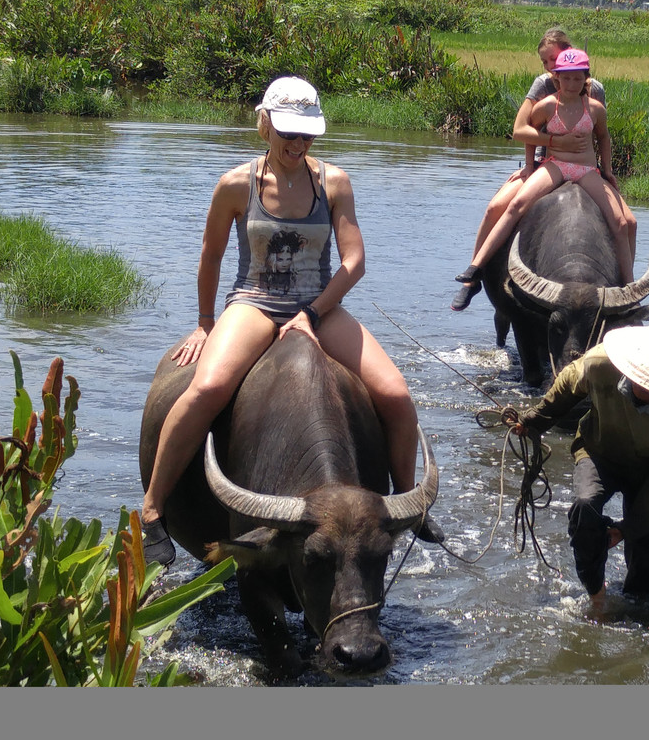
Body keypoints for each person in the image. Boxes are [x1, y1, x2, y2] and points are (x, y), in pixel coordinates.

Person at [140, 76, 440, 567]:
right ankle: (152, 509)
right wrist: (203, 322)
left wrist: (312, 313)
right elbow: (211, 256)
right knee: (207, 388)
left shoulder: (334, 182)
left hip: (318, 307)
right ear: (265, 127)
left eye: (306, 137)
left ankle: (404, 505)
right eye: (288, 135)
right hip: (253, 303)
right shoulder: (237, 184)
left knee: (397, 395)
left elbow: (354, 261)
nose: (297, 146)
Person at [512, 323, 649, 615]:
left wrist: (626, 530)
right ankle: (597, 594)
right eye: (645, 378)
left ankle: (640, 617)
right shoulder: (601, 363)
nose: (648, 387)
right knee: (584, 510)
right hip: (599, 452)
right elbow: (568, 383)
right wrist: (534, 420)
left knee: (646, 571)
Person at [450, 28, 637, 311]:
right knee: (500, 207)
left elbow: (601, 135)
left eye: (553, 59)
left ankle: (626, 291)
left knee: (628, 222)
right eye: (545, 63)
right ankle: (473, 276)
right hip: (546, 161)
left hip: (587, 167)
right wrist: (531, 164)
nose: (549, 67)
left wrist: (607, 170)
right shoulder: (544, 88)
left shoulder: (594, 94)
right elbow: (522, 129)